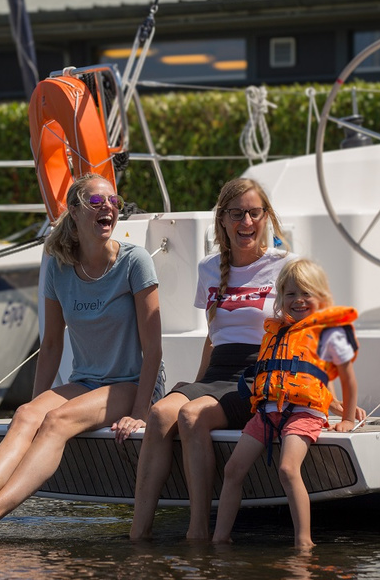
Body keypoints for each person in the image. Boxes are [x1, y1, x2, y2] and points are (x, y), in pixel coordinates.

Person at [0, 173, 162, 540]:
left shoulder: (134, 262)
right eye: (97, 202)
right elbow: (52, 344)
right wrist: (36, 403)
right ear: (74, 212)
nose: (108, 209)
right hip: (87, 380)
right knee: (27, 413)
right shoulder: (58, 267)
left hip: (131, 382)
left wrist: (139, 411)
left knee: (56, 421)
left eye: (113, 202)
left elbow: (154, 348)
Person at [129, 177, 294, 541]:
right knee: (159, 414)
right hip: (219, 370)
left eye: (254, 213)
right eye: (237, 213)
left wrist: (331, 397)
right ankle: (138, 533)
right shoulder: (208, 268)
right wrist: (197, 381)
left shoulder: (286, 266)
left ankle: (198, 531)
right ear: (222, 219)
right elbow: (213, 335)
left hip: (260, 372)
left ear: (266, 217)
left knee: (192, 415)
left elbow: (311, 331)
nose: (246, 222)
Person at [212, 258, 359, 550]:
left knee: (287, 470)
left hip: (304, 412)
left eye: (306, 293)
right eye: (291, 294)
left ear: (322, 297)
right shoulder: (276, 330)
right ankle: (219, 538)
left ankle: (304, 543)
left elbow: (347, 379)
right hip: (268, 413)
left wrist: (348, 417)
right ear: (281, 298)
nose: (299, 300)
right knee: (232, 470)